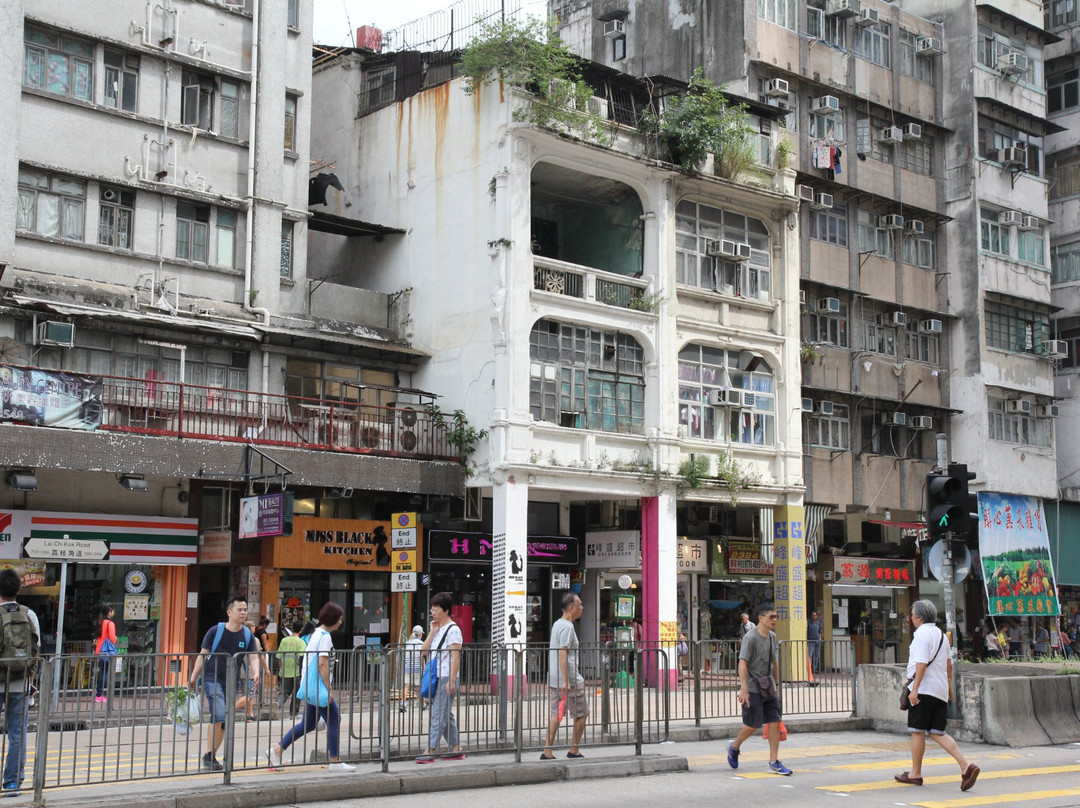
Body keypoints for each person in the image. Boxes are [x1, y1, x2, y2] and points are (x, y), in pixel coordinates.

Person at [895, 599, 980, 792]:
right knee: (937, 732)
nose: (911, 618)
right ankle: (966, 766)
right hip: (940, 690)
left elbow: (921, 664)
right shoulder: (942, 635)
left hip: (923, 690)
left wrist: (914, 689)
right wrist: (947, 687)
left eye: (913, 615)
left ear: (920, 617)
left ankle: (915, 774)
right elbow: (948, 665)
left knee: (917, 731)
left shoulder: (921, 635)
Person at [266, 602, 355, 773]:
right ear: (333, 619)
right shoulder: (325, 637)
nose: (341, 622)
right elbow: (322, 664)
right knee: (334, 719)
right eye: (340, 618)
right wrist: (328, 689)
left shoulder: (316, 634)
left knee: (308, 724)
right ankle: (335, 761)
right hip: (318, 687)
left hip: (310, 686)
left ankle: (277, 750)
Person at [187, 595, 261, 771]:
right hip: (212, 678)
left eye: (245, 610)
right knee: (219, 714)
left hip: (232, 681)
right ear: (229, 612)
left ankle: (210, 755)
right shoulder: (215, 631)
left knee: (225, 719)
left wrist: (256, 672)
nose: (243, 613)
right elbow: (202, 655)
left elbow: (253, 656)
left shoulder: (247, 635)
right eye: (240, 610)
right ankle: (210, 755)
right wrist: (193, 677)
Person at [727, 604, 791, 776]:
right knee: (752, 725)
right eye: (771, 617)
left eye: (776, 617)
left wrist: (776, 686)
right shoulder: (750, 638)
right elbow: (743, 663)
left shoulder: (772, 637)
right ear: (761, 619)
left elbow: (774, 662)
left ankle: (773, 762)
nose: (774, 620)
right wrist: (744, 689)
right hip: (753, 687)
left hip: (768, 686)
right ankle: (734, 746)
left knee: (774, 722)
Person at [0, 570, 39, 797]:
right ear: (19, 590)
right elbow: (35, 654)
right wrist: (30, 687)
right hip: (20, 684)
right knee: (17, 735)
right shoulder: (29, 615)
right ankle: (13, 784)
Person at [415, 592, 464, 763]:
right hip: (438, 676)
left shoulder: (454, 630)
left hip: (447, 676)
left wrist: (451, 681)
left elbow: (455, 656)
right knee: (444, 713)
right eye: (432, 609)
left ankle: (430, 749)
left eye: (436, 609)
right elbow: (424, 651)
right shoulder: (438, 629)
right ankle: (456, 748)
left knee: (438, 714)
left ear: (446, 610)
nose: (433, 612)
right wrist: (432, 632)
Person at [541, 593, 588, 760]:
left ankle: (547, 750)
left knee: (556, 714)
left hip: (554, 677)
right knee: (581, 714)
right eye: (579, 604)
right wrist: (567, 680)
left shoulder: (557, 624)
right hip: (570, 679)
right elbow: (563, 652)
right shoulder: (568, 627)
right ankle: (574, 749)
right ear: (571, 607)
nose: (582, 608)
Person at [276, 621, 306, 717]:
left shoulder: (284, 640)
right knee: (297, 693)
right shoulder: (301, 642)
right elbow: (301, 658)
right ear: (301, 629)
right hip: (297, 671)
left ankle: (278, 702)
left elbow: (279, 656)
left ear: (292, 627)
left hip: (285, 671)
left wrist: (281, 670)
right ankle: (294, 713)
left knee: (285, 691)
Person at [93, 605, 117, 702]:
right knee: (105, 673)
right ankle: (99, 694)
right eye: (112, 611)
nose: (113, 613)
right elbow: (112, 638)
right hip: (107, 651)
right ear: (109, 613)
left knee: (102, 671)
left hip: (100, 649)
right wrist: (116, 638)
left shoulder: (100, 622)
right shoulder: (110, 623)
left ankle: (98, 691)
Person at [402, 625, 425, 709]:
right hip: (417, 668)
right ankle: (423, 704)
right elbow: (421, 657)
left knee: (406, 685)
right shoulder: (422, 643)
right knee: (419, 687)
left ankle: (403, 703)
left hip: (407, 667)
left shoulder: (407, 643)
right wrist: (424, 667)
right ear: (420, 634)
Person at [807, 610, 823, 675]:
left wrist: (820, 638)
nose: (814, 616)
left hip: (817, 640)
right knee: (810, 655)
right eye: (813, 615)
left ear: (817, 616)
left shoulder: (818, 623)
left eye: (815, 615)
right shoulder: (808, 622)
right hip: (810, 640)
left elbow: (820, 632)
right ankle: (810, 668)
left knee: (816, 655)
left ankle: (814, 668)